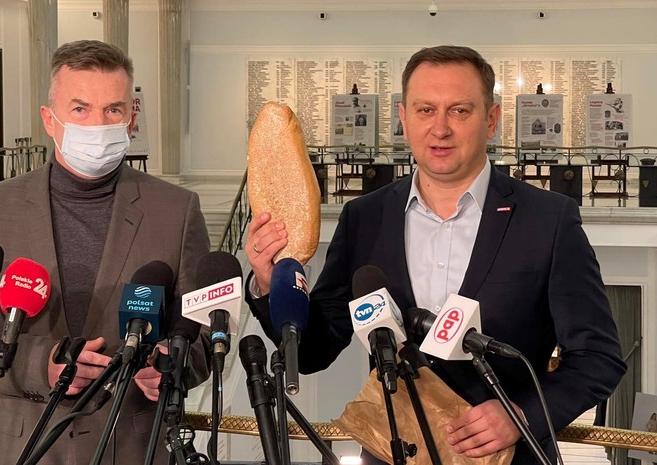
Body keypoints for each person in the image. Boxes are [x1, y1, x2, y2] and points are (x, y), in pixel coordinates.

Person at [245, 45, 626, 465]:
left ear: (491, 119)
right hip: (393, 454)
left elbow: (598, 358)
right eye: (425, 110)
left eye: (459, 110)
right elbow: (314, 351)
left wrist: (521, 415)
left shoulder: (547, 220)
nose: (440, 129)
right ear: (404, 118)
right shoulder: (364, 218)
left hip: (507, 457)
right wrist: (270, 285)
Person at [0, 40, 211, 464]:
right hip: (21, 446)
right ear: (49, 119)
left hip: (134, 446)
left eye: (113, 110)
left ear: (131, 119)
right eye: (80, 109)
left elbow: (203, 333)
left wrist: (175, 367)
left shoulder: (177, 210)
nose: (98, 124)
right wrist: (39, 365)